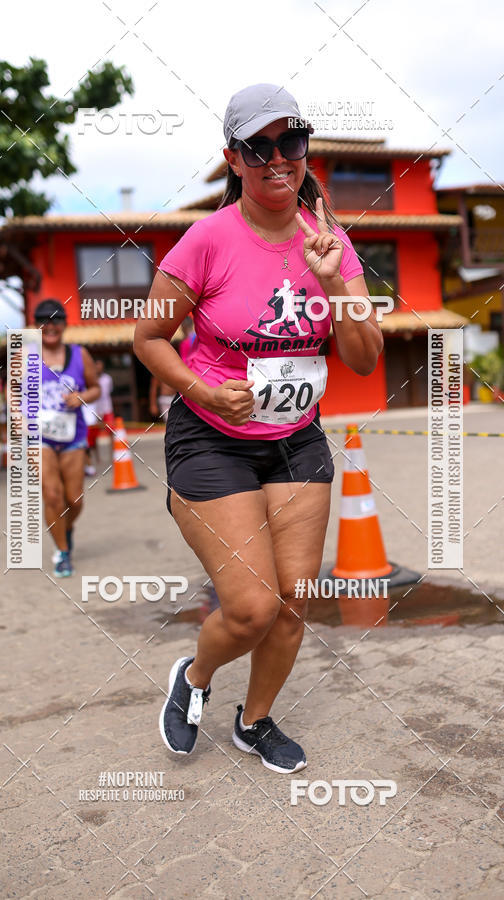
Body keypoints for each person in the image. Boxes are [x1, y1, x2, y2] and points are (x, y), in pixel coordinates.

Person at [133, 83, 383, 773]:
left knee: (295, 600)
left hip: (297, 440)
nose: (279, 159)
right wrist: (204, 390)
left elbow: (364, 357)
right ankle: (196, 679)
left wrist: (334, 283)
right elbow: (148, 337)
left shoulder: (331, 243)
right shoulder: (208, 239)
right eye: (259, 146)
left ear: (306, 149)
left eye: (291, 142)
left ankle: (256, 720)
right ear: (233, 158)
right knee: (250, 607)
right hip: (210, 438)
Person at [36, 299, 100, 577]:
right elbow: (12, 394)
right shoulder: (24, 356)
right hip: (40, 438)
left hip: (73, 435)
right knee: (52, 495)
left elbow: (96, 388)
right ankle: (62, 552)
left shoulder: (79, 354)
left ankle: (66, 527)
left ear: (64, 325)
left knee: (74, 500)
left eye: (56, 320)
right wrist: (18, 415)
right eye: (44, 321)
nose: (51, 326)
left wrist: (82, 397)